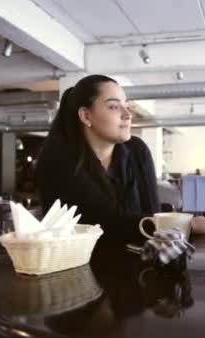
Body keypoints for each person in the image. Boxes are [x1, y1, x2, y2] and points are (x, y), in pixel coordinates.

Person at [35, 75, 159, 248]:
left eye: (127, 105)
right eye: (114, 106)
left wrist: (165, 224)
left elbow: (154, 213)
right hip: (78, 267)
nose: (128, 115)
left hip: (141, 265)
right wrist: (177, 224)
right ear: (86, 116)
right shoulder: (58, 160)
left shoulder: (137, 151)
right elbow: (103, 223)